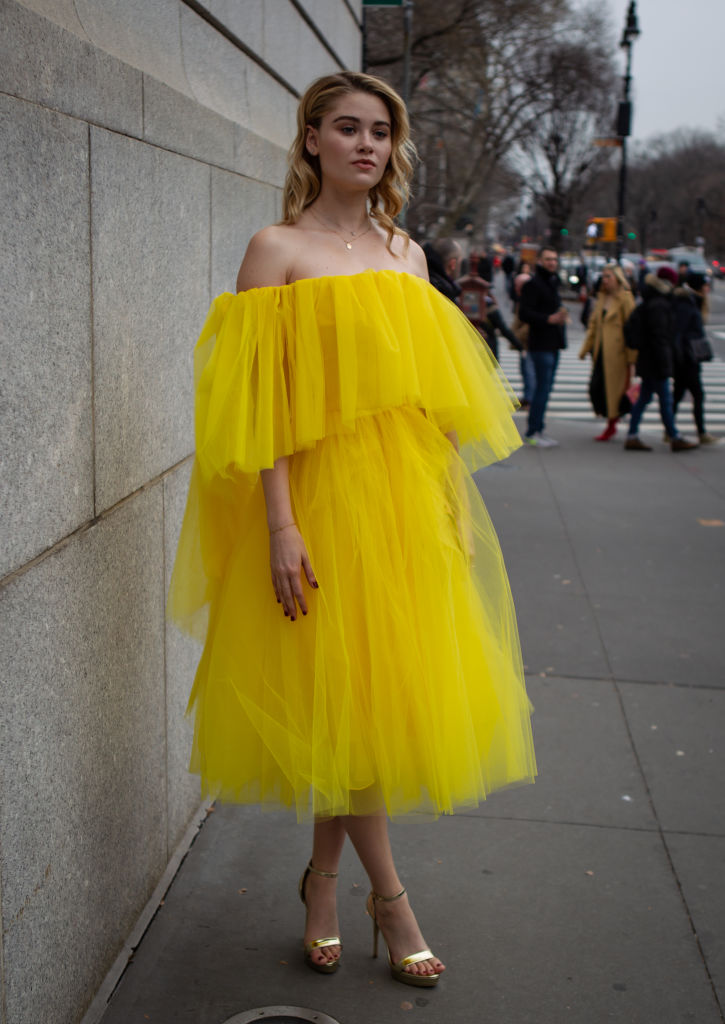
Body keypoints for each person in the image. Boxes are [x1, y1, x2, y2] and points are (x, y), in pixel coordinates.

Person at [167, 71, 535, 989]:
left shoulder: (406, 253)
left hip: (405, 493)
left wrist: (447, 490)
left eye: (379, 131)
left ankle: (322, 882)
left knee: (359, 705)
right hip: (320, 500)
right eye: (346, 128)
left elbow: (430, 391)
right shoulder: (276, 249)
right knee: (348, 699)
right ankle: (391, 897)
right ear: (311, 141)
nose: (366, 144)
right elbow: (262, 407)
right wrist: (280, 524)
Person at [624, 267, 698, 452]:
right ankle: (673, 436)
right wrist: (666, 362)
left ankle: (633, 435)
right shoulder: (660, 304)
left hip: (649, 359)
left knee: (645, 398)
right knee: (664, 400)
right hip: (656, 360)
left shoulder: (651, 299)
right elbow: (660, 337)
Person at [579, 263, 636, 441]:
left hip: (618, 354)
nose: (605, 280)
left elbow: (632, 328)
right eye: (603, 277)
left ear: (617, 279)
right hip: (601, 351)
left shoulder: (625, 298)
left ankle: (612, 425)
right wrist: (585, 348)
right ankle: (611, 418)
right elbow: (594, 325)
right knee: (595, 388)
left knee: (615, 392)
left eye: (608, 277)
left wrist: (631, 358)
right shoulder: (602, 297)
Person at [519, 247, 568, 447]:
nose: (552, 263)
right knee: (541, 389)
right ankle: (533, 431)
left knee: (546, 390)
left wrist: (560, 317)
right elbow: (524, 313)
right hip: (540, 345)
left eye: (555, 259)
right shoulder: (533, 284)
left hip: (553, 343)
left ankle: (539, 428)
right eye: (548, 259)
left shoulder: (553, 282)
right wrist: (549, 318)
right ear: (539, 261)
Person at [672, 273, 717, 443]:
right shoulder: (687, 304)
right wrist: (681, 357)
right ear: (698, 286)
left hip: (688, 358)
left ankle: (670, 430)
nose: (708, 288)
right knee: (697, 395)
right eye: (705, 285)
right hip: (686, 360)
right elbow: (679, 333)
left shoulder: (693, 302)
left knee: (678, 395)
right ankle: (701, 433)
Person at [511, 272, 535, 408]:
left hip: (528, 343)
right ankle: (528, 396)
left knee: (528, 370)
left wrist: (515, 336)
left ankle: (529, 398)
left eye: (518, 285)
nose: (516, 288)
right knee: (525, 369)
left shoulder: (528, 298)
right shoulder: (522, 298)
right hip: (524, 342)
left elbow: (528, 323)